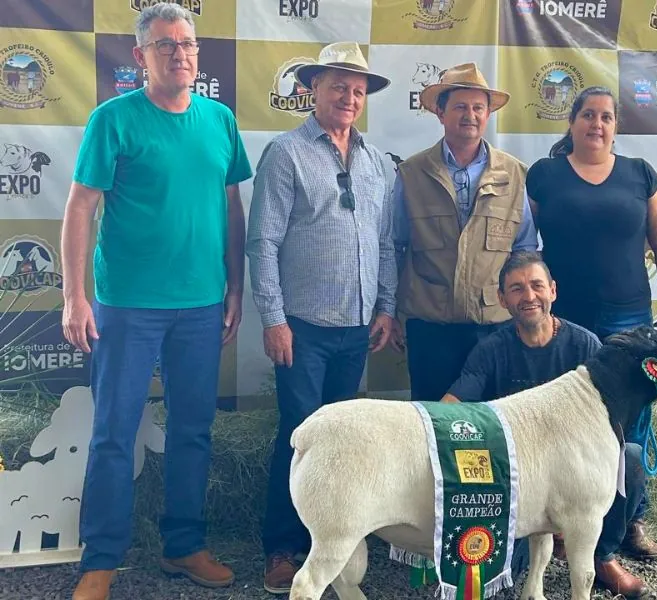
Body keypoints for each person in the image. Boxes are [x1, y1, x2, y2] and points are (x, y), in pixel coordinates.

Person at [61, 4, 252, 600]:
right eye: (166, 44)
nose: (180, 53)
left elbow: (231, 208)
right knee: (115, 432)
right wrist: (74, 297)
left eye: (188, 44)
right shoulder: (112, 119)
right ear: (140, 56)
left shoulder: (220, 120)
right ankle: (102, 558)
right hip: (126, 306)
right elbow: (80, 208)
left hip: (201, 306)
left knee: (193, 430)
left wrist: (235, 287)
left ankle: (184, 546)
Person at [245, 41, 397, 594]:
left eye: (358, 90)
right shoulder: (284, 153)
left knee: (343, 447)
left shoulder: (377, 161)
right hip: (303, 329)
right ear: (313, 90)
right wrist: (274, 319)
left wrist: (385, 306)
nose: (349, 97)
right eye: (338, 86)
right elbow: (262, 242)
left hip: (358, 329)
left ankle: (332, 545)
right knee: (300, 438)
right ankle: (282, 548)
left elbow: (384, 242)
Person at [525, 86, 657, 560]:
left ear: (616, 126)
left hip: (629, 320)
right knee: (561, 424)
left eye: (607, 117)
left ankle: (628, 524)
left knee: (630, 427)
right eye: (588, 115)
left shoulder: (640, 174)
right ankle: (555, 527)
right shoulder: (544, 175)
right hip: (564, 320)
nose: (598, 124)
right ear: (571, 122)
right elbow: (521, 246)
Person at [442, 250, 651, 598]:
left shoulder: (586, 345)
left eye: (537, 286)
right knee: (504, 571)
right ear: (502, 299)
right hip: (521, 479)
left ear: (553, 291)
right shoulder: (490, 349)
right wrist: (425, 428)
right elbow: (454, 405)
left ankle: (602, 556)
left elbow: (613, 416)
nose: (529, 296)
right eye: (517, 289)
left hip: (578, 469)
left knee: (628, 456)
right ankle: (544, 549)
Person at [391, 62, 539, 402]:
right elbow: (395, 246)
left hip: (496, 328)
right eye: (459, 106)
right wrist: (392, 310)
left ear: (488, 115)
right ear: (440, 113)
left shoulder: (515, 174)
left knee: (493, 424)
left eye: (478, 107)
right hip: (430, 330)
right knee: (433, 424)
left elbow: (525, 249)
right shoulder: (412, 173)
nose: (469, 115)